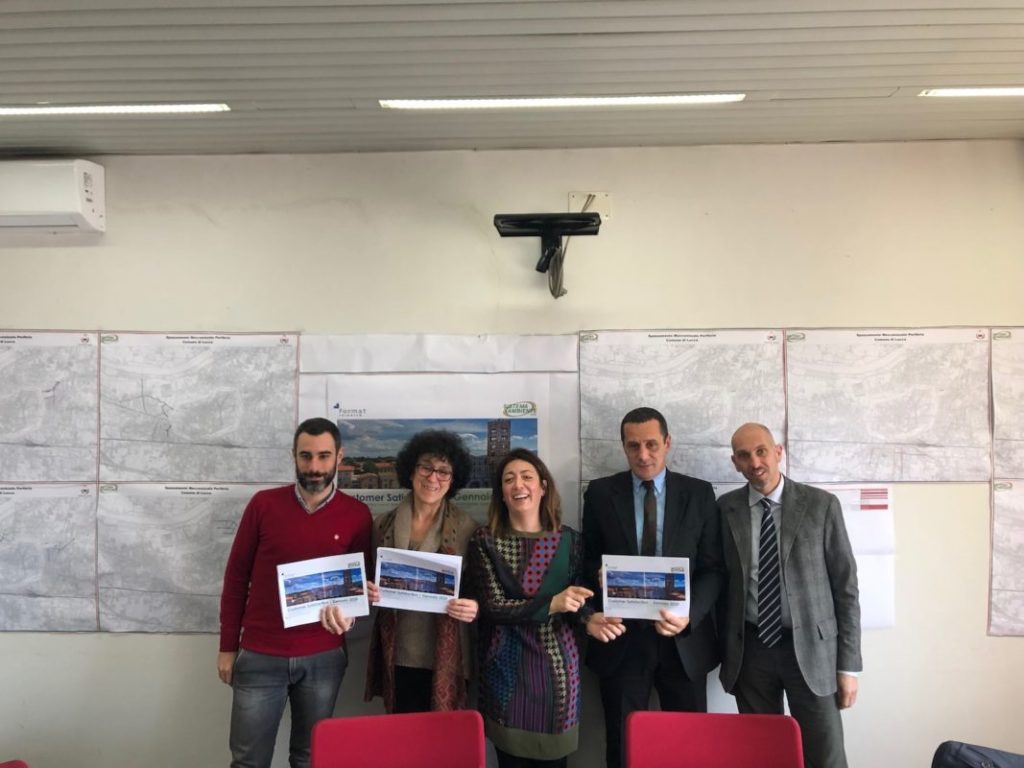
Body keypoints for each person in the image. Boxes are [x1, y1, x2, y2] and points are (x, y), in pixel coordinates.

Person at [217, 417, 373, 768]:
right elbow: (236, 578)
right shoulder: (263, 505)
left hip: (324, 657)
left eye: (323, 456)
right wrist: (227, 647)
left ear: (339, 457)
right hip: (260, 654)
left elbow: (357, 590)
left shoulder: (358, 515)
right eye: (306, 456)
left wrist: (349, 614)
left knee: (309, 758)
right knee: (248, 761)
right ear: (294, 456)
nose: (314, 466)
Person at [581, 406, 725, 768]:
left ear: (667, 442)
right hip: (622, 640)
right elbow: (586, 559)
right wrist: (598, 575)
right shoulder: (600, 493)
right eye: (633, 446)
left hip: (682, 640)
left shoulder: (699, 494)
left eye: (651, 445)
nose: (643, 455)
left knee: (690, 747)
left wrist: (688, 615)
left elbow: (713, 570)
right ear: (623, 446)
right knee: (623, 745)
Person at [718, 423, 861, 768]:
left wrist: (848, 666)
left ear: (778, 452)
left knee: (825, 756)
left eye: (762, 451)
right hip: (751, 651)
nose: (755, 462)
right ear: (735, 462)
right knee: (763, 755)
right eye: (744, 455)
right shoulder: (725, 509)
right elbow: (718, 579)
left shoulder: (821, 505)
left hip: (813, 650)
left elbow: (846, 588)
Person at [322, 429, 479, 712]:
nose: (433, 478)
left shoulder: (468, 528)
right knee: (402, 732)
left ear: (453, 479)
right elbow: (367, 579)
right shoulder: (382, 525)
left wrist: (474, 606)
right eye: (426, 467)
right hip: (398, 652)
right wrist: (367, 590)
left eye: (443, 471)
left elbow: (478, 588)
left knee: (442, 736)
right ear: (411, 470)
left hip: (447, 655)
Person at [467, 448, 593, 768]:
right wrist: (552, 603)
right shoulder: (484, 540)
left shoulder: (571, 541)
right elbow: (494, 607)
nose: (518, 484)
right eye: (509, 479)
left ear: (543, 486)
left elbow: (579, 601)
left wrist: (591, 619)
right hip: (504, 670)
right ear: (502, 493)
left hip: (558, 673)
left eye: (527, 477)